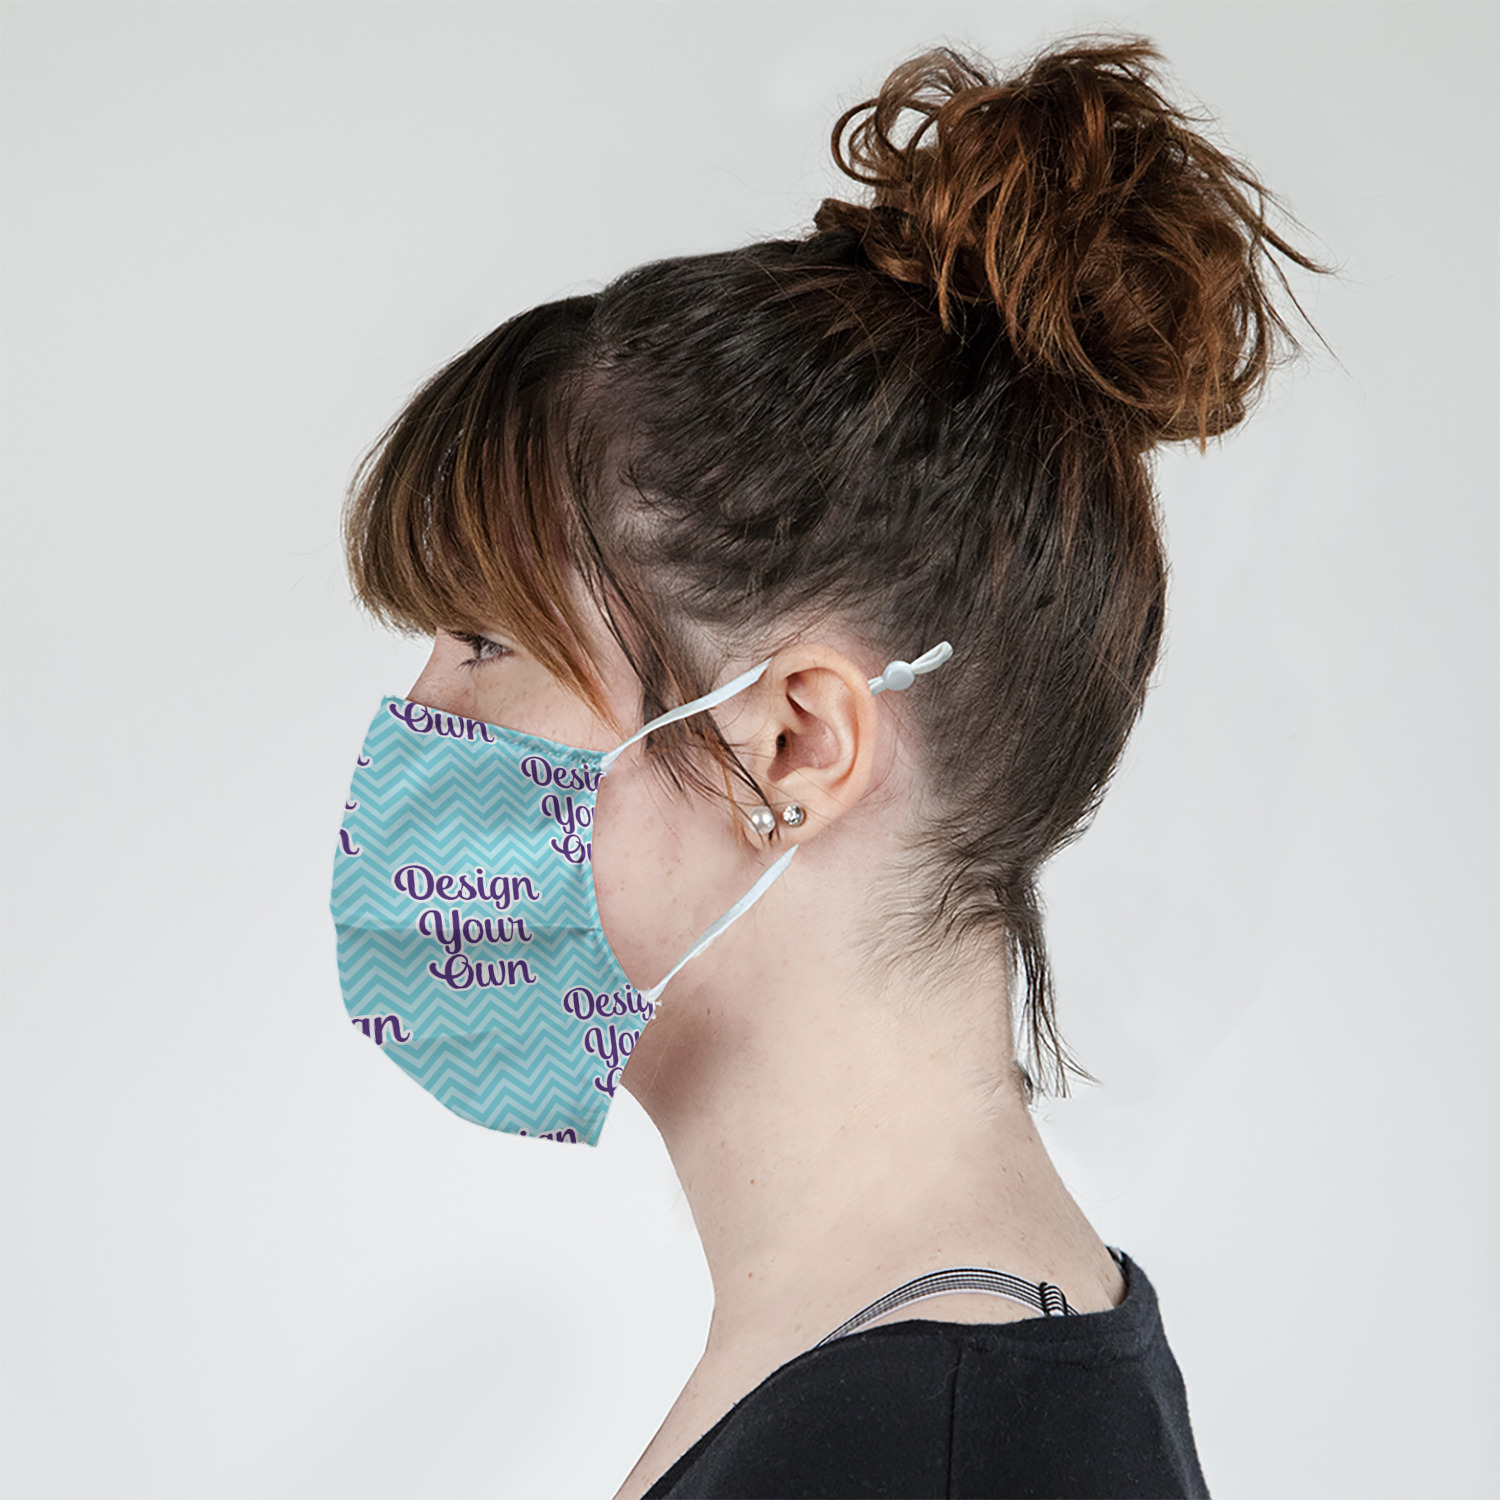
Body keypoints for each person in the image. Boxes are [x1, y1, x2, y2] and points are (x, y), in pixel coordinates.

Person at [332, 36, 1321, 1500]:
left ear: (794, 743)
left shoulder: (925, 1447)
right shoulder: (936, 1379)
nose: (413, 721)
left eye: (484, 643)